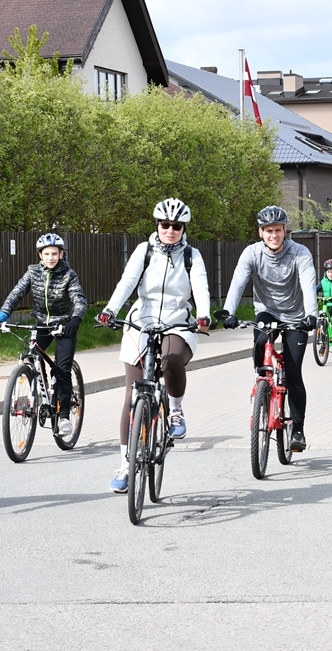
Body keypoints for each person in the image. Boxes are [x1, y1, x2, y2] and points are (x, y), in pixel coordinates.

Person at [96, 199, 210, 492]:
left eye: (176, 226)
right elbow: (127, 282)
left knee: (171, 361)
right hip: (141, 321)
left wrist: (203, 315)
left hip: (177, 321)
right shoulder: (143, 251)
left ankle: (175, 409)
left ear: (183, 229)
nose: (170, 230)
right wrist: (110, 310)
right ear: (157, 225)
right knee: (131, 397)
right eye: (165, 225)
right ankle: (125, 464)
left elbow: (200, 286)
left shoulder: (191, 256)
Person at [221, 205, 317, 452]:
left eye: (278, 230)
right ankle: (263, 388)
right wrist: (229, 312)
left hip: (296, 315)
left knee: (294, 373)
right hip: (266, 311)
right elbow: (237, 282)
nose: (273, 235)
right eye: (268, 230)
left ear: (285, 231)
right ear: (260, 232)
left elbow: (308, 284)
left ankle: (298, 429)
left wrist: (311, 315)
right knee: (261, 351)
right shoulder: (251, 254)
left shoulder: (300, 253)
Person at [0, 232, 87, 439]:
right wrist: (3, 313)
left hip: (65, 325)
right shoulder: (32, 272)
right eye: (46, 254)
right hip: (42, 323)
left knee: (62, 369)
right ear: (40, 255)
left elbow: (78, 298)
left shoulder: (69, 275)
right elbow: (17, 293)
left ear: (61, 254)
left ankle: (64, 417)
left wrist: (75, 319)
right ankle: (30, 395)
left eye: (54, 253)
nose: (50, 257)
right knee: (29, 356)